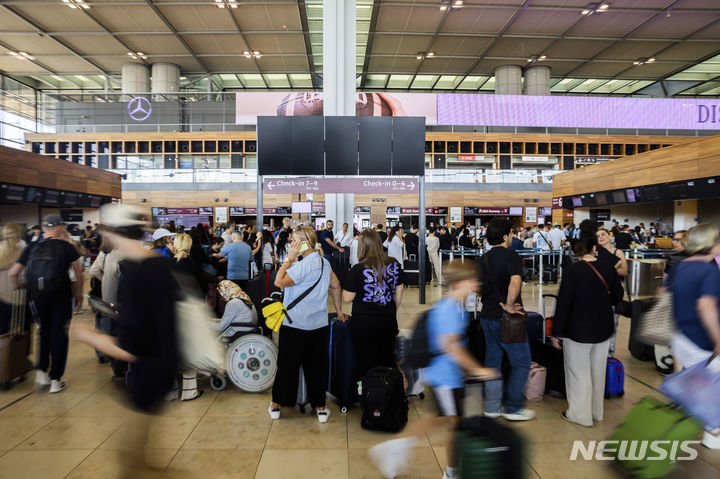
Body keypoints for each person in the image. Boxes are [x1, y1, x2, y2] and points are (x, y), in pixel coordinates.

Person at [69, 204, 179, 476]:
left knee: (130, 457)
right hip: (166, 364)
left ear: (114, 231)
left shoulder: (133, 273)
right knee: (140, 446)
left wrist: (87, 335)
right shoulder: (159, 263)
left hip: (148, 371)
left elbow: (130, 348)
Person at [368, 262, 498, 479]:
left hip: (448, 377)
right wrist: (478, 370)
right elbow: (451, 347)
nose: (476, 285)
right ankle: (449, 471)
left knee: (444, 420)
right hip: (445, 379)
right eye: (471, 281)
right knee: (453, 425)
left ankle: (400, 450)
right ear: (458, 283)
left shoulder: (455, 307)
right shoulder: (450, 310)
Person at [269, 226, 346, 423]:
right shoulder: (323, 262)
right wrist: (338, 311)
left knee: (287, 366)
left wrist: (288, 258)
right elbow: (336, 285)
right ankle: (320, 408)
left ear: (304, 243)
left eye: (294, 240)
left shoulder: (301, 265)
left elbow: (278, 281)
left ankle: (277, 404)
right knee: (315, 367)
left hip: (294, 324)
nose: (291, 243)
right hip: (318, 325)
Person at [551, 231, 624, 427]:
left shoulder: (573, 271)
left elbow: (564, 303)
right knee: (597, 371)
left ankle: (579, 415)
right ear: (594, 247)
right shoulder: (608, 267)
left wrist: (557, 332)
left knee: (578, 372)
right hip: (603, 327)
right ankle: (596, 411)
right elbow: (618, 296)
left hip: (578, 329)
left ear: (577, 251)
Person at [9, 215, 82, 393]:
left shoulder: (32, 246)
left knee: (44, 332)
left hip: (37, 296)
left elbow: (13, 273)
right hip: (61, 296)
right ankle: (56, 379)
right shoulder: (67, 247)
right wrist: (78, 295)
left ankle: (42, 373)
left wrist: (20, 287)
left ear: (44, 228)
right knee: (59, 335)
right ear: (58, 228)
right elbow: (78, 273)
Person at [667, 224, 720, 449]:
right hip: (701, 340)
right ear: (711, 243)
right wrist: (718, 338)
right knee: (712, 388)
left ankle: (695, 427)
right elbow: (705, 305)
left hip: (682, 336)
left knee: (698, 386)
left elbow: (666, 294)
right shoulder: (709, 270)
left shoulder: (681, 267)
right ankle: (713, 434)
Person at [477, 218, 535, 421]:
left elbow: (478, 287)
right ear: (504, 236)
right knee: (521, 362)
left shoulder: (483, 258)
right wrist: (509, 305)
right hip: (508, 320)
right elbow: (515, 281)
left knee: (493, 362)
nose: (513, 237)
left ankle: (492, 407)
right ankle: (513, 407)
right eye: (511, 233)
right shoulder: (511, 255)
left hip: (487, 316)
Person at [343, 230, 404, 381]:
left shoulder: (358, 269)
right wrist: (391, 309)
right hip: (388, 319)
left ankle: (371, 394)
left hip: (364, 322)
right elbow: (399, 290)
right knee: (387, 357)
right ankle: (388, 391)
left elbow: (347, 297)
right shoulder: (394, 263)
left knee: (366, 360)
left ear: (362, 247)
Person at [171, 233, 204, 402]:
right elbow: (201, 291)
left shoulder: (166, 265)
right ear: (190, 248)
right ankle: (189, 391)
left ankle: (170, 392)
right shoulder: (194, 267)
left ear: (175, 246)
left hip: (169, 313)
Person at [88, 238, 121, 363]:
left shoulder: (104, 252)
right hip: (119, 297)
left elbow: (94, 270)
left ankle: (103, 353)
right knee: (116, 327)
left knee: (106, 325)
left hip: (106, 296)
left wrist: (105, 281)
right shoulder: (122, 253)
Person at [0, 223, 25, 335]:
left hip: (1, 296)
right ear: (19, 235)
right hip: (18, 296)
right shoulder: (23, 251)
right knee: (18, 331)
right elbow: (24, 276)